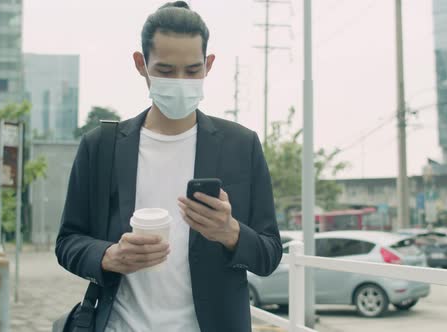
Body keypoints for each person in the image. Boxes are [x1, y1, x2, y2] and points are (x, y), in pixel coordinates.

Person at [55, 1, 282, 331]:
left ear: (208, 64)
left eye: (192, 71)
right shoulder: (101, 146)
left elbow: (269, 253)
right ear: (140, 64)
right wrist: (109, 256)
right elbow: (68, 241)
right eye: (164, 70)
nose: (179, 81)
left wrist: (230, 233)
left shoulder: (241, 146)